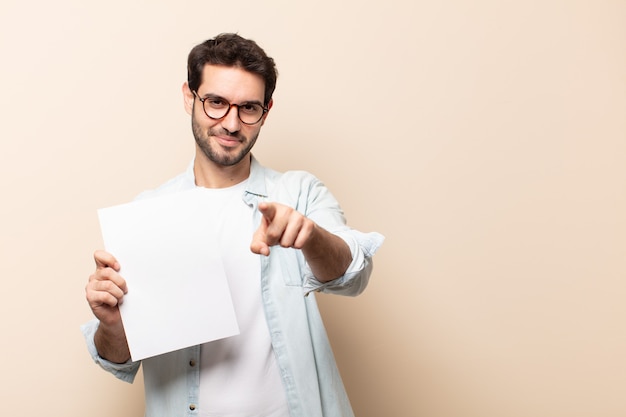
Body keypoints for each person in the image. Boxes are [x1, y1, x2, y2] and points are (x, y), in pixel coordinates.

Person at [82, 33, 384, 417]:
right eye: (216, 103)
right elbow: (118, 358)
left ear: (266, 110)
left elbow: (353, 273)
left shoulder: (299, 193)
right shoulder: (148, 213)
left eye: (248, 108)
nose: (231, 122)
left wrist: (311, 237)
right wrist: (112, 325)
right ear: (189, 98)